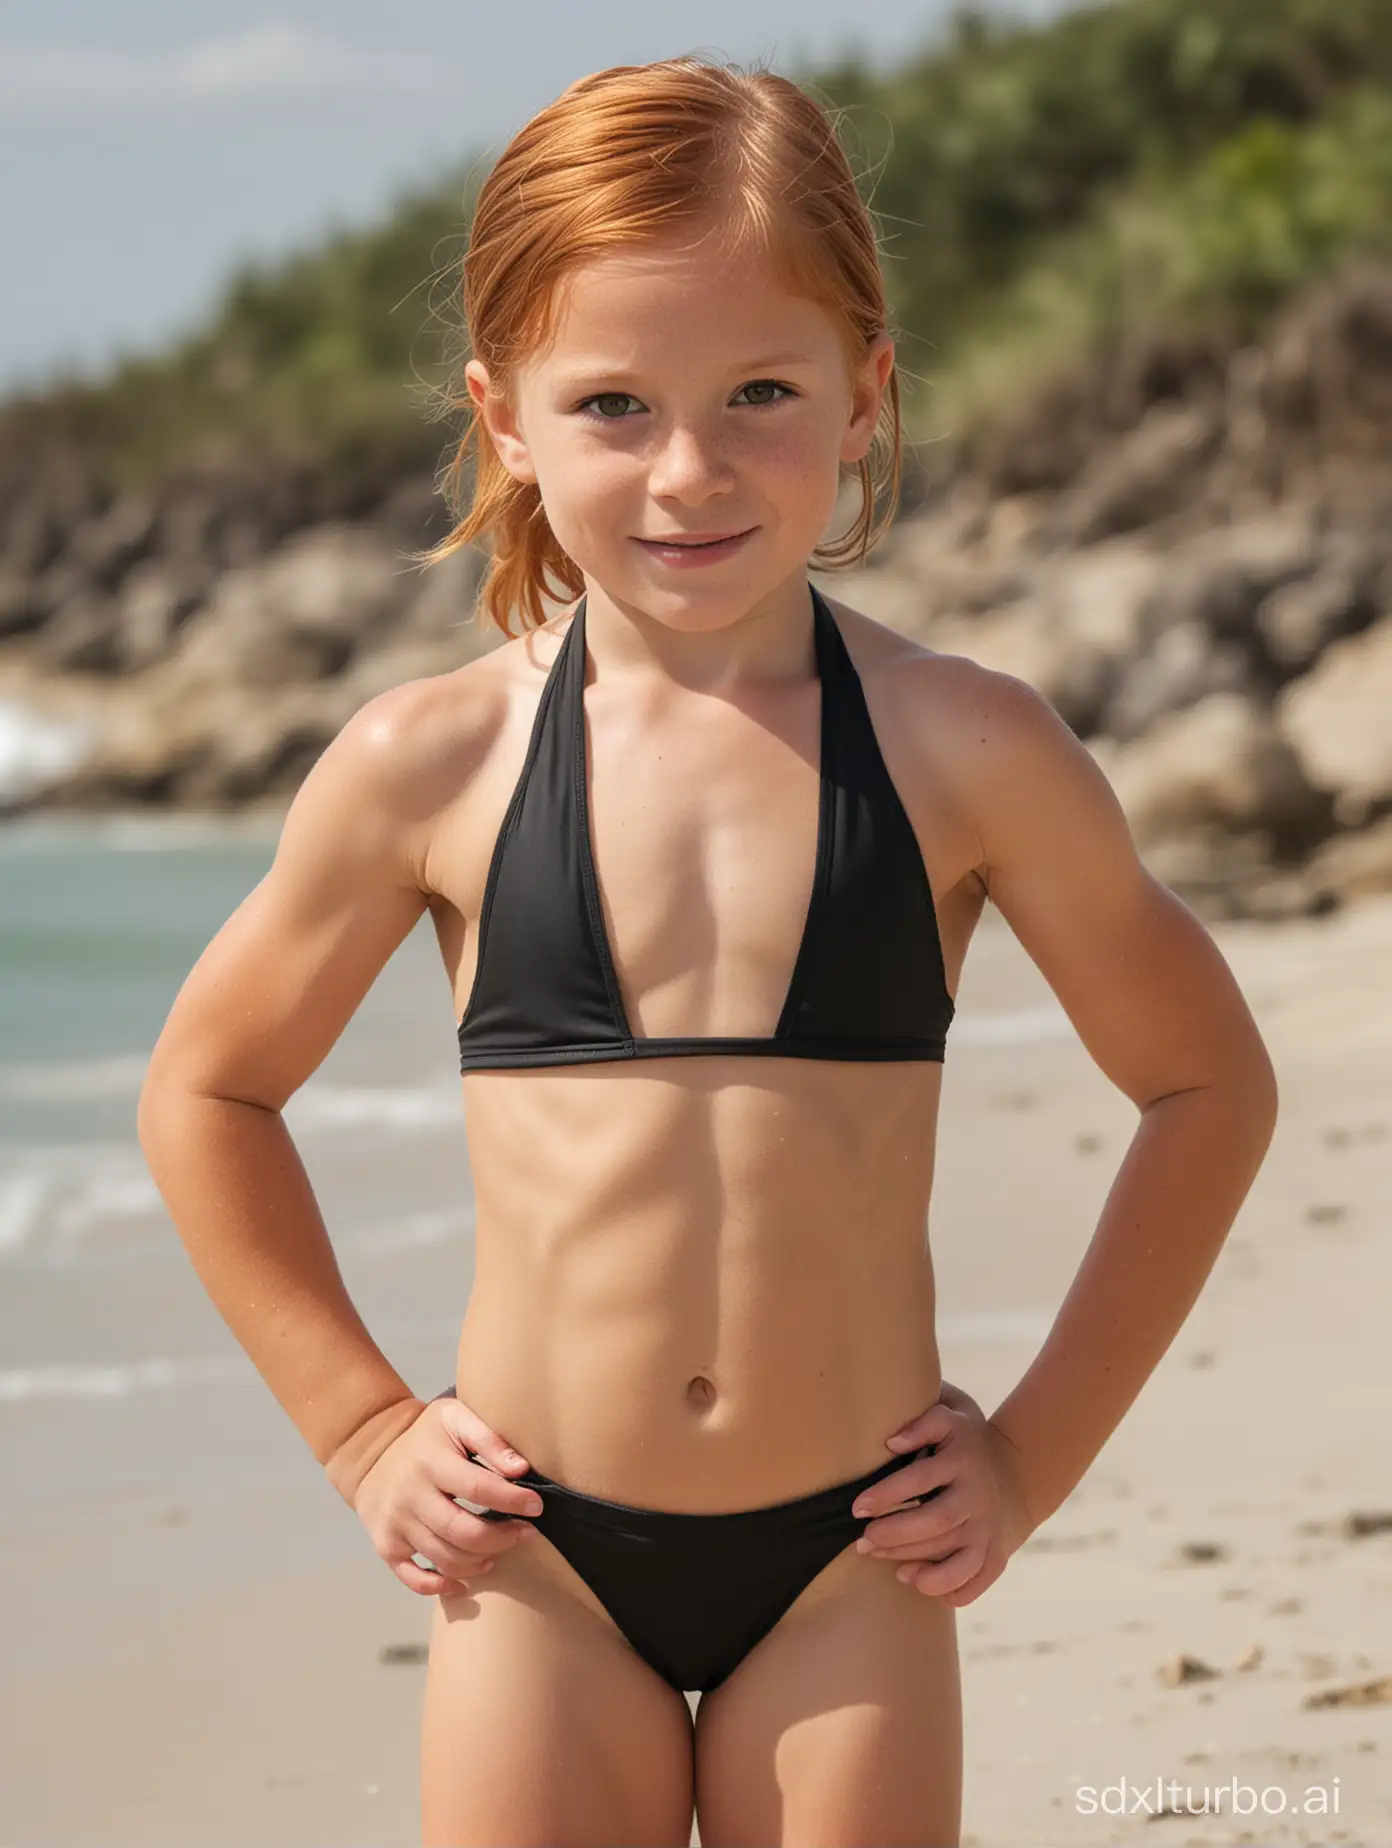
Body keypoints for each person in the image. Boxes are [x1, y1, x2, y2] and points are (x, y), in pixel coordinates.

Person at [137, 55, 1279, 1848]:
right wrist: (360, 1429)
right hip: (538, 1563)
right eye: (612, 405)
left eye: (762, 390)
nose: (691, 469)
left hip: (850, 1560)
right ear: (504, 416)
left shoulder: (963, 747)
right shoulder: (428, 762)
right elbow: (206, 1089)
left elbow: (1209, 1084)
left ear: (865, 394)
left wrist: (1031, 1457)